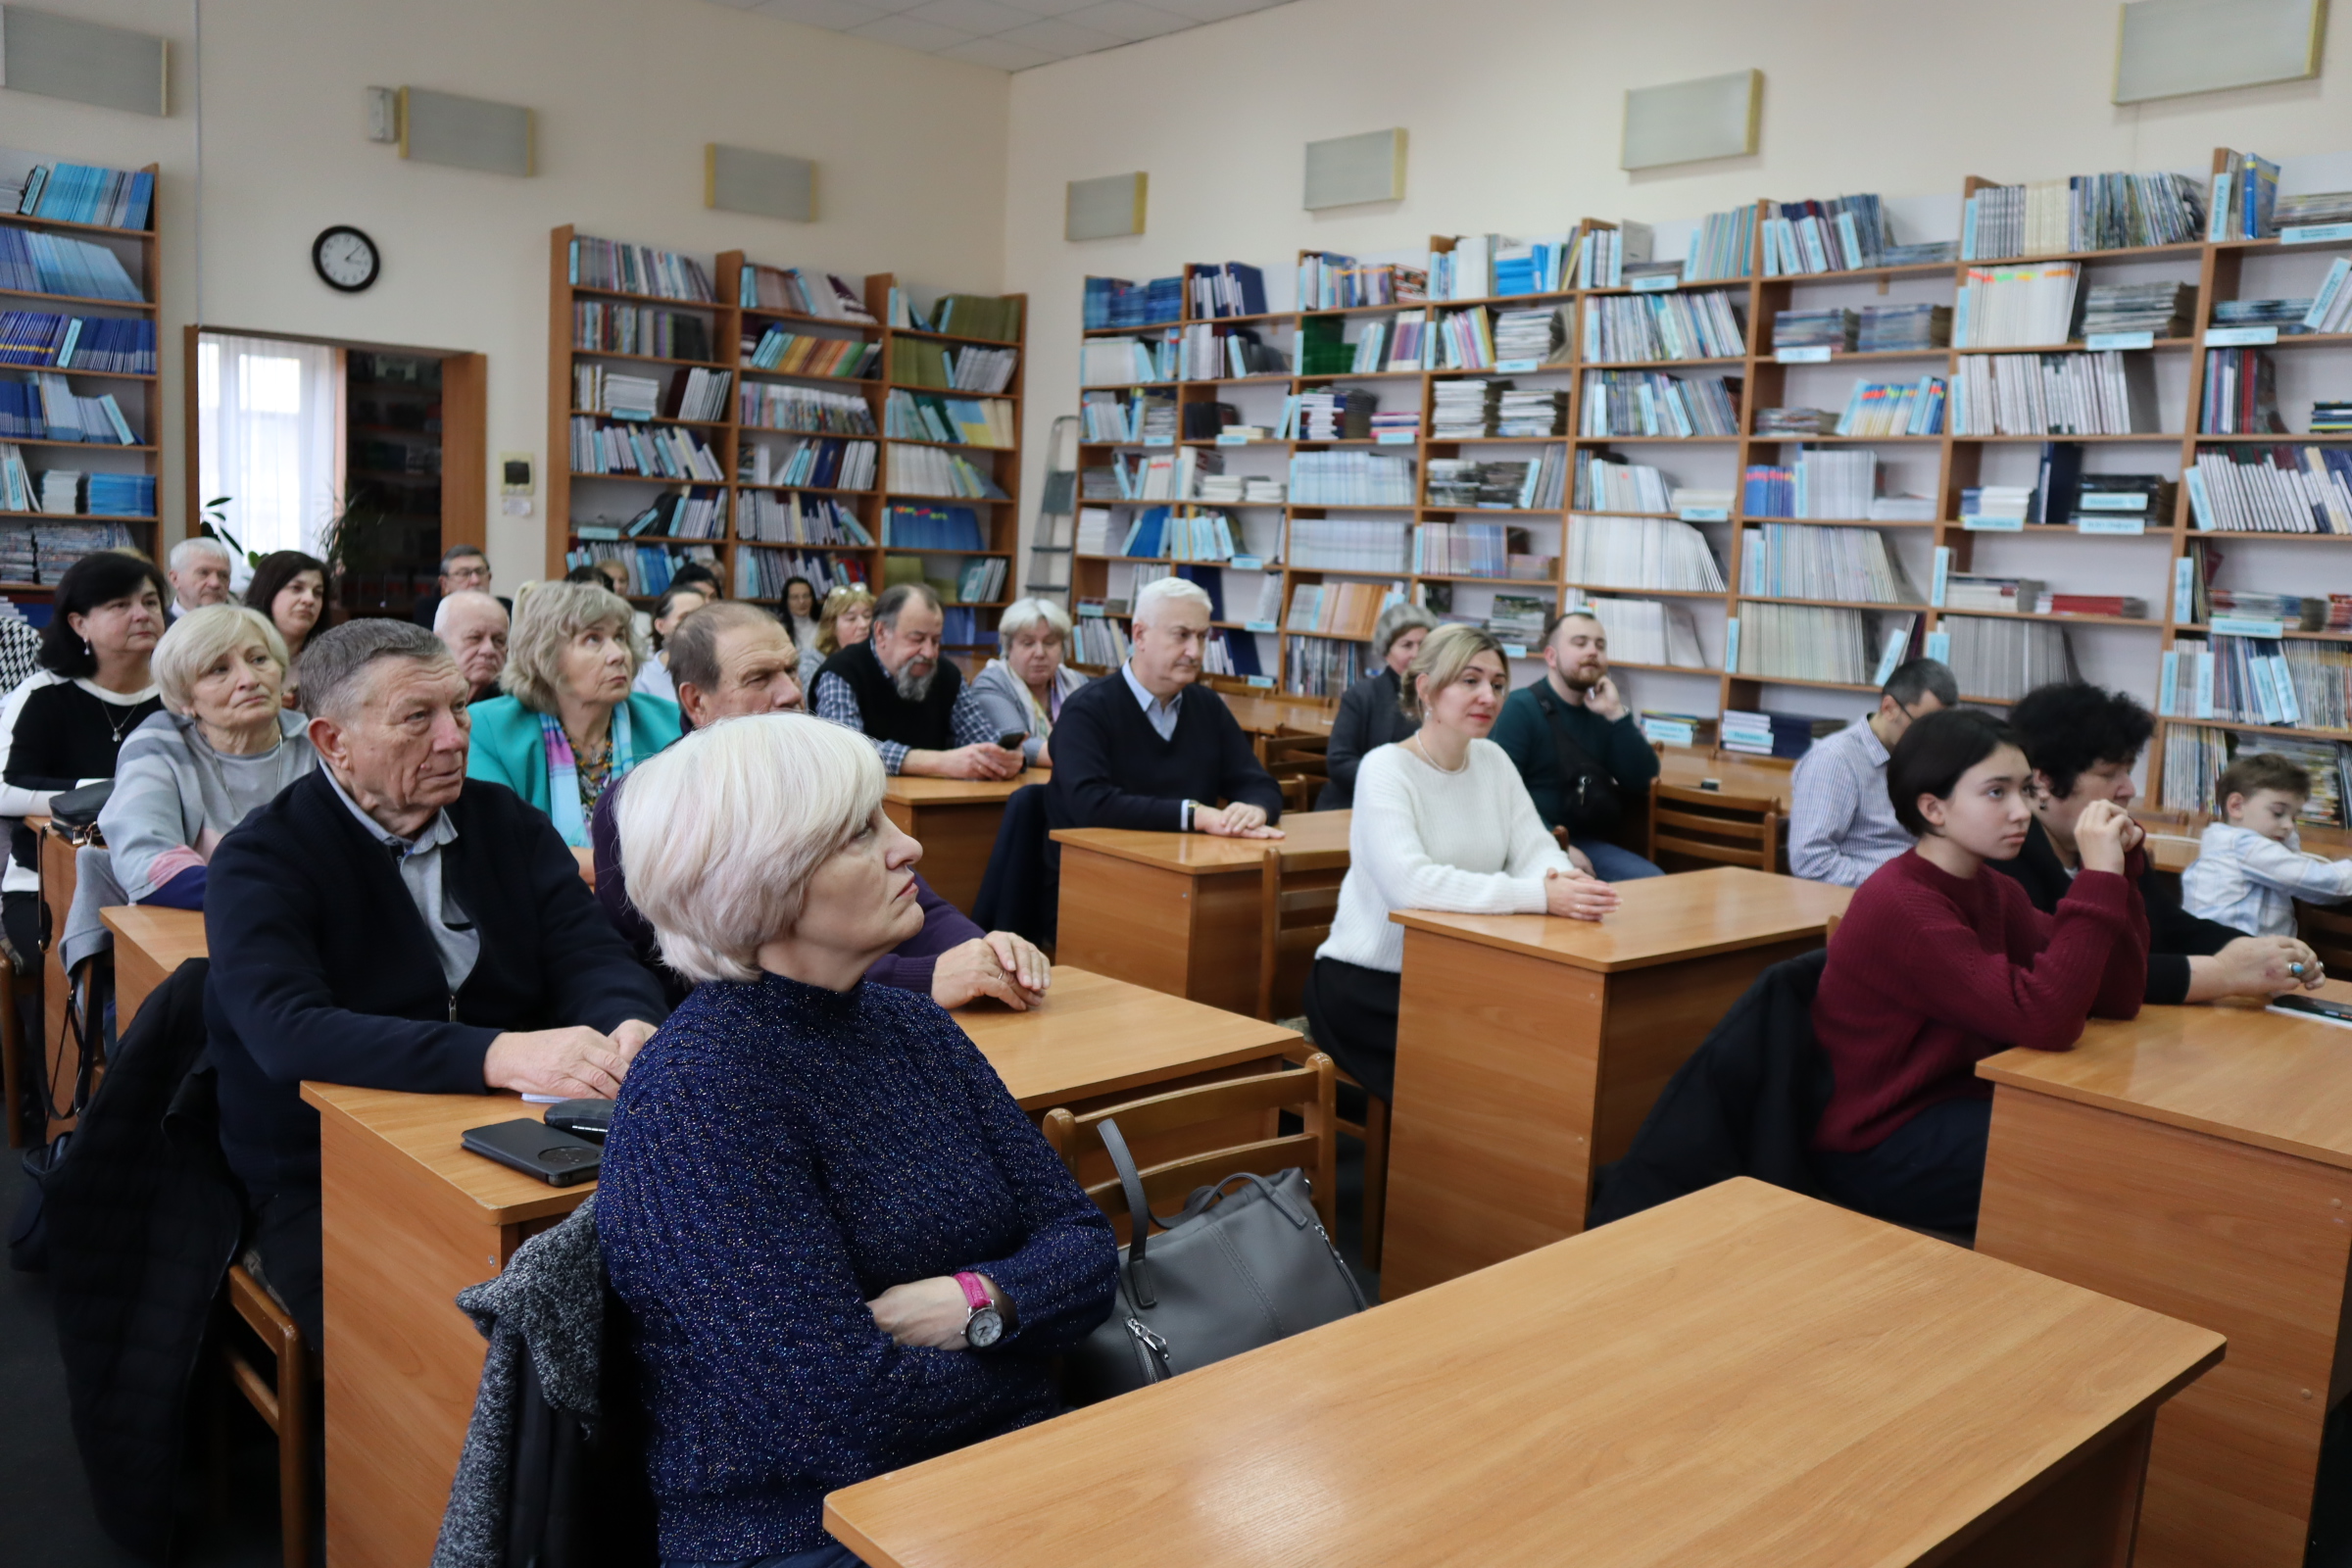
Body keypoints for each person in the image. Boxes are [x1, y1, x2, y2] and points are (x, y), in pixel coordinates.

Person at [597, 713, 1117, 1568]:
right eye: (858, 833)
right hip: (809, 1529)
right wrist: (1027, 1335)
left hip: (995, 1469)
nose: (907, 845)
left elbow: (1089, 1253)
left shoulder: (910, 1025)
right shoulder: (700, 1092)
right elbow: (834, 1414)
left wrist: (976, 1306)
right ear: (758, 882)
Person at [206, 619, 666, 1349]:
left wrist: (629, 1024)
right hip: (325, 1171)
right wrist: (498, 1054)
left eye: (458, 708)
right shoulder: (262, 858)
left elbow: (593, 955)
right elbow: (286, 1029)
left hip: (523, 1145)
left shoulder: (504, 822)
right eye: (418, 718)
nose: (455, 738)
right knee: (431, 1357)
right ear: (332, 742)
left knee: (660, 1309)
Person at [593, 602, 1050, 1013]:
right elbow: (725, 970)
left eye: (791, 671)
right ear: (696, 701)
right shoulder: (644, 807)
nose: (791, 692)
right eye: (760, 678)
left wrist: (985, 953)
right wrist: (923, 979)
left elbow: (913, 899)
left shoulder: (821, 781)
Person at [1810, 709, 2149, 1234]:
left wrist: (2120, 876)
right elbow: (2047, 1020)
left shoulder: (1994, 889)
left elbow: (2117, 996)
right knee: (2105, 1172)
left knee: (2123, 1151)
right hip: (1887, 1142)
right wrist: (2097, 879)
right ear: (1933, 808)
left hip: (1961, 1108)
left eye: (2024, 790)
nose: (2021, 812)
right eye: (1996, 793)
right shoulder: (1904, 904)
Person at [1305, 625, 1619, 1102]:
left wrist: (1563, 879)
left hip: (1461, 971)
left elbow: (1533, 846)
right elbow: (1410, 887)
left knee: (1550, 1044)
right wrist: (1540, 895)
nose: (1488, 696)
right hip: (1370, 984)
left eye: (1496, 684)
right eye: (1469, 680)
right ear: (1427, 687)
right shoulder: (1384, 768)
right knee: (1482, 1075)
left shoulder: (1492, 759)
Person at [1992, 682, 2325, 1003]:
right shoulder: (2006, 855)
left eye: (2128, 771)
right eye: (2110, 774)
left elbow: (2168, 925)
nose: (2128, 789)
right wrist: (2223, 972)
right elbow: (2078, 971)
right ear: (2044, 780)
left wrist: (2261, 951)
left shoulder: (2116, 836)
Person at [0, 552, 169, 961]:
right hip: (45, 884)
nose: (142, 614)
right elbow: (6, 789)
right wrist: (112, 791)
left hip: (156, 880)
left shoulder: (178, 697)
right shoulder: (44, 694)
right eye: (120, 605)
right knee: (86, 974)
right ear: (79, 624)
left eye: (150, 602)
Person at [99, 605, 316, 908]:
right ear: (186, 698)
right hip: (194, 925)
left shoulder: (318, 743)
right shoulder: (160, 745)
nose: (249, 679)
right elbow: (146, 863)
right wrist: (275, 895)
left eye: (259, 659)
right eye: (219, 669)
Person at [1046, 576, 1284, 838]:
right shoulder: (1087, 709)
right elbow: (1090, 804)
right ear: (1140, 636)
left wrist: (1255, 809)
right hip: (1095, 868)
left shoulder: (1208, 706)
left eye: (1202, 637)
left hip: (1185, 864)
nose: (1195, 651)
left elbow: (1257, 783)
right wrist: (1194, 815)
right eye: (1181, 635)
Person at [466, 580, 681, 847]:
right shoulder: (489, 729)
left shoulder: (671, 725)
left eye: (620, 637)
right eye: (593, 639)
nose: (618, 654)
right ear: (545, 653)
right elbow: (507, 846)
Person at [1490, 608, 1662, 880]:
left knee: (1652, 884)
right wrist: (1555, 845)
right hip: (1532, 843)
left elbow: (1642, 779)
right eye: (1580, 643)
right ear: (1551, 656)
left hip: (1591, 842)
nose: (1592, 651)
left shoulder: (1603, 711)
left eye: (1600, 645)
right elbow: (1498, 793)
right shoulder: (1520, 708)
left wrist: (1616, 714)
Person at [810, 582, 1021, 781]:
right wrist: (938, 762)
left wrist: (1002, 758)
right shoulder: (841, 673)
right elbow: (847, 753)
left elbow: (980, 739)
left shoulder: (947, 675)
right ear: (882, 632)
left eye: (936, 640)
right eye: (917, 639)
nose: (929, 653)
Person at [1788, 658, 1959, 886]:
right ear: (1889, 708)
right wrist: (1900, 884)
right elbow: (1810, 861)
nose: (1934, 739)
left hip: (1920, 883)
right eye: (1925, 726)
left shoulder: (1920, 754)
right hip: (1867, 896)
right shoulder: (1835, 759)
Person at [2181, 753, 2352, 938]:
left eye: (2294, 817)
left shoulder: (2223, 840)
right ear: (2237, 806)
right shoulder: (2245, 847)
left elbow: (2296, 863)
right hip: (2237, 959)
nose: (2288, 826)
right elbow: (2325, 882)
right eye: (2278, 813)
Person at [1319, 602, 1438, 810]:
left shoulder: (1441, 697)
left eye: (1424, 645)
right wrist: (1394, 786)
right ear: (1385, 651)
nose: (1416, 654)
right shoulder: (1362, 695)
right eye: (1406, 645)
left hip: (1424, 807)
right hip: (1357, 805)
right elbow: (1339, 763)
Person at [968, 597, 1088, 767]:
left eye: (1049, 642)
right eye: (1028, 643)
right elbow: (1018, 745)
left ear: (1063, 648)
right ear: (1009, 647)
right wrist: (1089, 755)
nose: (1039, 653)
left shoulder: (1077, 682)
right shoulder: (991, 684)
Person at [243, 550, 328, 708]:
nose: (309, 600)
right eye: (296, 588)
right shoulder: (238, 656)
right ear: (268, 591)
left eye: (317, 593)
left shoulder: (329, 662)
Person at [631, 584, 710, 705]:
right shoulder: (642, 678)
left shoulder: (721, 668)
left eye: (702, 616)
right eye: (685, 617)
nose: (696, 625)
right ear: (661, 626)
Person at [433, 589, 511, 704]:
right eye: (475, 638)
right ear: (438, 642)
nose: (489, 650)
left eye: (498, 640)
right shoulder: (414, 699)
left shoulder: (516, 710)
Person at [409, 543, 505, 630]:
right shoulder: (430, 611)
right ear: (444, 584)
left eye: (480, 572)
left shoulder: (505, 608)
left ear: (489, 577)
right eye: (464, 573)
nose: (475, 580)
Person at [166, 536, 234, 620]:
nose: (215, 583)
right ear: (175, 579)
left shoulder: (244, 628)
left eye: (223, 576)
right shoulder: (157, 627)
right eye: (203, 573)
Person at [814, 583, 874, 657]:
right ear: (832, 625)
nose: (863, 624)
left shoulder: (885, 657)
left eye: (867, 616)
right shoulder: (816, 659)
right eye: (851, 619)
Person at [779, 574, 823, 663]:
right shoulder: (779, 629)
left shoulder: (825, 626)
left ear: (812, 598)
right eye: (795, 597)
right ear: (786, 601)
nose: (802, 601)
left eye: (806, 596)